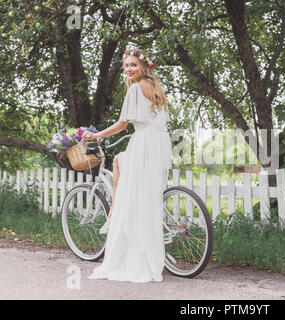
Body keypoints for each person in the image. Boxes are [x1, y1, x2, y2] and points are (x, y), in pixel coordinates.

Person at [84, 47, 172, 283]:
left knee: (124, 176)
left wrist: (96, 135)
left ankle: (115, 210)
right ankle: (117, 209)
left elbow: (123, 124)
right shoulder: (155, 88)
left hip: (144, 143)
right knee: (139, 187)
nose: (129, 69)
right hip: (159, 143)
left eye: (133, 65)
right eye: (127, 66)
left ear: (143, 67)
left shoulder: (135, 88)